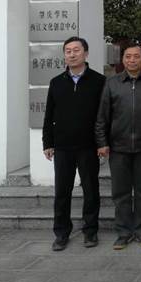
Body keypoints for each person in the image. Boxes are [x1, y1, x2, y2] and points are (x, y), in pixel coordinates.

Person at [42, 36, 105, 251]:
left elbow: (104, 115)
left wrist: (102, 143)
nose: (72, 54)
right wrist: (47, 142)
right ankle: (61, 233)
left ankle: (90, 231)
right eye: (68, 51)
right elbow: (49, 115)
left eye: (76, 50)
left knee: (91, 190)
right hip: (63, 147)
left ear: (85, 53)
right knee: (62, 192)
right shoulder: (56, 82)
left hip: (89, 146)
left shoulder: (99, 81)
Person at [95, 43, 141, 250]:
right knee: (120, 192)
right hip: (118, 147)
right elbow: (102, 116)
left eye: (136, 56)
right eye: (128, 56)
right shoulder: (112, 83)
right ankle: (123, 232)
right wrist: (102, 142)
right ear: (122, 59)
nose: (132, 60)